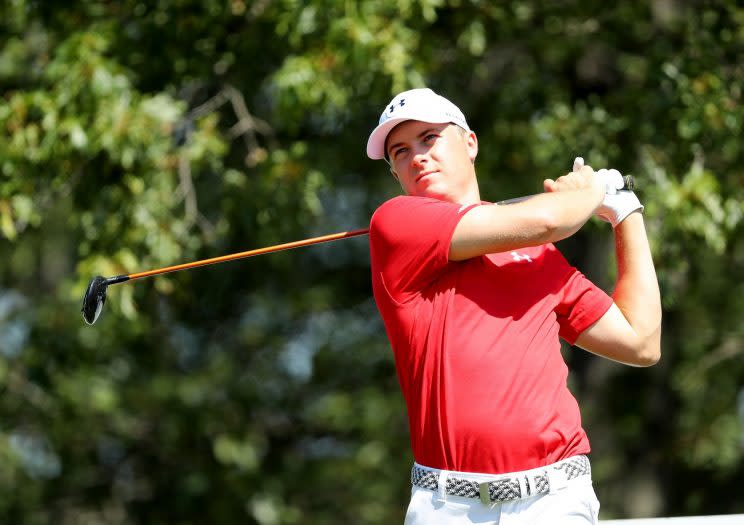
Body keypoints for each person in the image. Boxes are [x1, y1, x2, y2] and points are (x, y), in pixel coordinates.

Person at [365, 88, 662, 525]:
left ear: (470, 143)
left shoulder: (540, 256)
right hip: (447, 505)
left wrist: (624, 212)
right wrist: (592, 188)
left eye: (429, 139)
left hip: (555, 498)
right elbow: (549, 220)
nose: (418, 157)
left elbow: (641, 342)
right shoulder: (396, 225)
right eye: (401, 152)